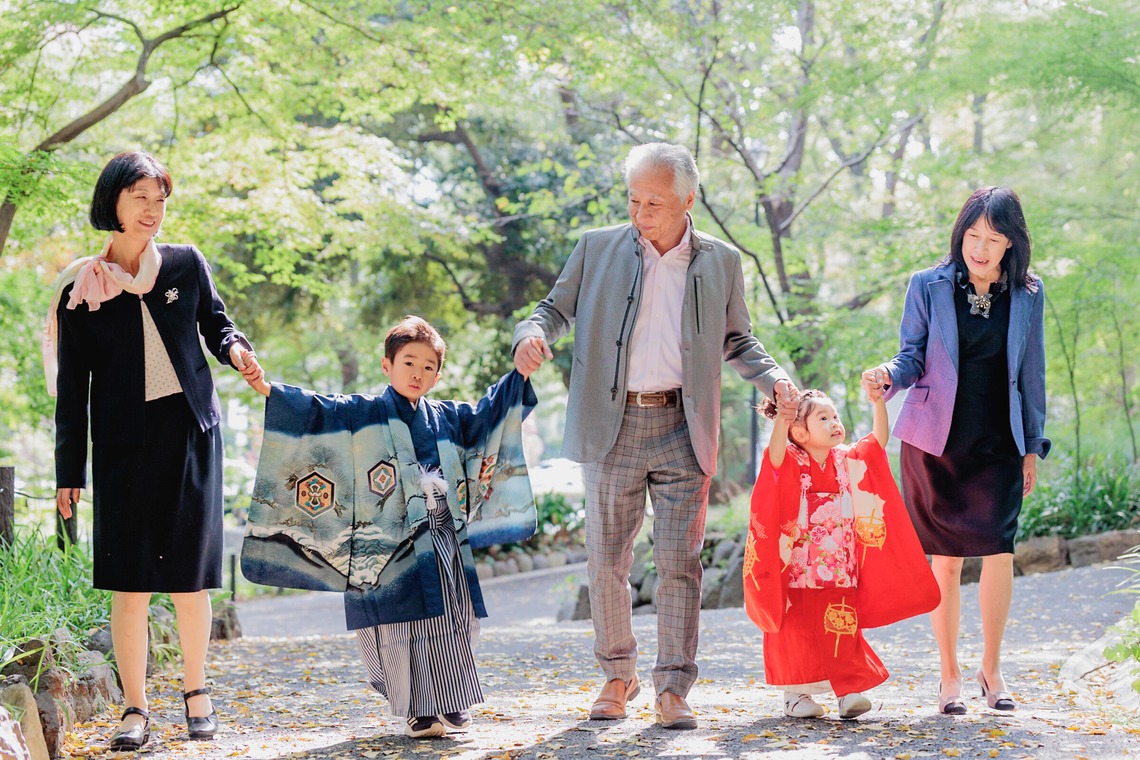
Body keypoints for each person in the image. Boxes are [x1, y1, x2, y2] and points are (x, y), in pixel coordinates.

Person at [512, 142, 797, 729]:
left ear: (689, 200)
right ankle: (618, 675)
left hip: (682, 427)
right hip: (610, 426)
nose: (641, 215)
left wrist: (775, 379)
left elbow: (738, 340)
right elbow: (551, 310)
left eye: (656, 204)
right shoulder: (597, 247)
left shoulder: (720, 261)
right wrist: (530, 336)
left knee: (679, 562)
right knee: (607, 560)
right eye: (634, 201)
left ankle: (673, 687)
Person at [48, 151, 261, 750]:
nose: (153, 210)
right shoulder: (82, 289)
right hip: (122, 447)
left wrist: (237, 350)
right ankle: (135, 709)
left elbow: (218, 325)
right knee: (130, 584)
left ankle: (197, 693)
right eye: (140, 197)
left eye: (160, 198)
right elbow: (72, 393)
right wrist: (71, 472)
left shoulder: (186, 265)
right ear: (112, 202)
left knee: (192, 579)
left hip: (191, 433)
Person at [242, 316, 538, 738]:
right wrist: (268, 390)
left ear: (438, 374)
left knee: (452, 614)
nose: (418, 373)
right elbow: (317, 408)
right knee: (401, 621)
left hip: (441, 532)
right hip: (386, 540)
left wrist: (520, 373)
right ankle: (417, 708)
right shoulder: (362, 412)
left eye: (429, 366)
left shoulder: (450, 417)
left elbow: (490, 413)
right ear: (387, 365)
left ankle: (451, 700)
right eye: (409, 363)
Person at [864, 186, 1049, 714]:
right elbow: (911, 356)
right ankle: (949, 677)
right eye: (972, 236)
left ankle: (991, 669)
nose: (981, 248)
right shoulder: (928, 285)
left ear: (1012, 243)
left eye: (993, 238)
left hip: (999, 443)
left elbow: (1032, 375)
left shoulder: (1028, 294)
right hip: (935, 443)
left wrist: (1032, 446)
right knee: (943, 563)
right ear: (960, 235)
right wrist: (886, 378)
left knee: (999, 552)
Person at [742, 387, 938, 719]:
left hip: (838, 565)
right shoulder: (791, 458)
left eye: (835, 416)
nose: (835, 423)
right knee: (795, 629)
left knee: (843, 625)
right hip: (796, 567)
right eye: (824, 418)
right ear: (799, 431)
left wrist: (879, 403)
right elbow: (774, 454)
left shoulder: (846, 458)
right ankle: (796, 694)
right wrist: (783, 417)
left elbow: (877, 442)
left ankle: (848, 690)